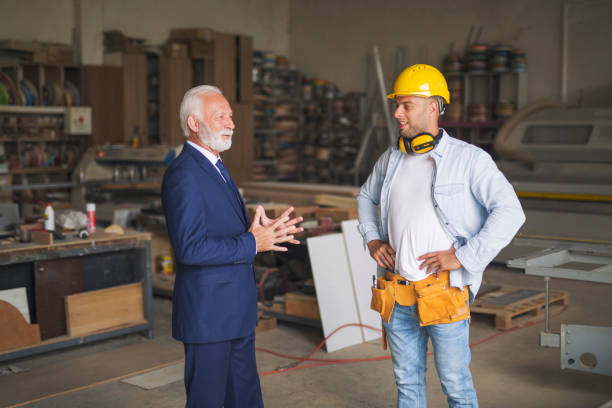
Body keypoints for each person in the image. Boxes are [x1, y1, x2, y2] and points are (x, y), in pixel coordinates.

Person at [357, 64, 525, 407]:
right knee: (407, 384)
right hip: (398, 290)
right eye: (397, 104)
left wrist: (463, 257)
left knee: (456, 385)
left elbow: (510, 212)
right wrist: (373, 238)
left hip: (444, 292)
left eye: (406, 105)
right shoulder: (392, 158)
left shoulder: (469, 160)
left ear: (432, 107)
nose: (397, 112)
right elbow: (365, 197)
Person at [162, 85, 303, 408]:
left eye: (230, 116)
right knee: (209, 400)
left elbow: (222, 231)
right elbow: (191, 249)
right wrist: (252, 242)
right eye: (221, 116)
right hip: (208, 316)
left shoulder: (216, 167)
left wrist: (262, 234)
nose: (231, 123)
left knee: (244, 398)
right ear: (195, 124)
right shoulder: (184, 174)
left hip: (235, 310)